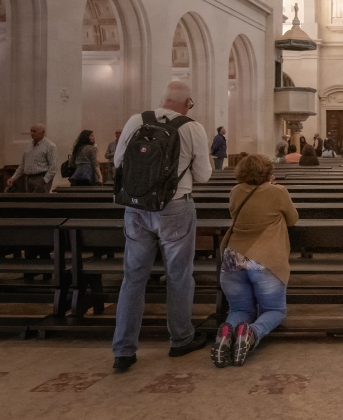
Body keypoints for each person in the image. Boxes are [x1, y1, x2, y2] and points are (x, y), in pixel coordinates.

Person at [111, 80, 212, 373]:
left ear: (162, 100)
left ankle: (123, 351)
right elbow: (204, 176)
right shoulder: (192, 127)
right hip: (174, 207)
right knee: (178, 275)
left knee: (133, 278)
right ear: (188, 103)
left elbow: (119, 161)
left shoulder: (136, 120)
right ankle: (180, 339)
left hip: (136, 206)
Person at [211, 153, 299, 368]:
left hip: (233, 257)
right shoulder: (278, 192)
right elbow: (293, 219)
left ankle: (228, 330)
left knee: (240, 309)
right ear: (268, 172)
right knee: (274, 311)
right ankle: (251, 333)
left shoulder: (235, 191)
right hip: (264, 259)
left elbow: (234, 213)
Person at [6, 124, 57, 193]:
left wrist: (45, 180)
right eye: (31, 131)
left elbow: (53, 167)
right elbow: (22, 165)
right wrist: (13, 177)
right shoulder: (29, 146)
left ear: (43, 132)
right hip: (28, 178)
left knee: (39, 202)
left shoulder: (50, 146)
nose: (32, 133)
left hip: (41, 177)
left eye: (34, 131)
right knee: (30, 202)